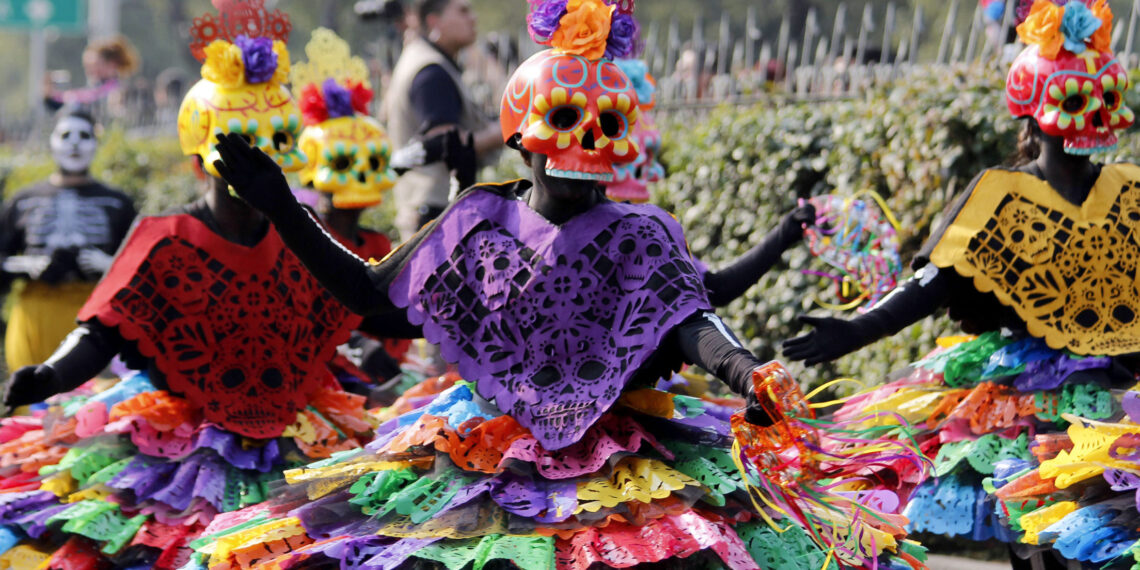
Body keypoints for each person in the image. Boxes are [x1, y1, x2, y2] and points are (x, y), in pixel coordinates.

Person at [191, 2, 919, 568]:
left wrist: (744, 369)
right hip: (489, 461)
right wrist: (283, 205)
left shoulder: (644, 233)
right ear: (520, 132)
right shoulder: (477, 226)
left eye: (608, 125)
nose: (588, 142)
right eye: (568, 118)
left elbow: (692, 316)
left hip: (633, 464)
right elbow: (375, 297)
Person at [0, 4, 371, 567]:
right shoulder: (164, 238)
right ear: (206, 147)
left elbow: (367, 301)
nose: (260, 158)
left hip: (301, 436)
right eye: (244, 142)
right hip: (182, 446)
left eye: (272, 142)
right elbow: (103, 328)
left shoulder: (303, 234)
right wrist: (52, 374)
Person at [784, 0, 1138, 566]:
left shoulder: (1131, 190)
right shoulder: (1001, 194)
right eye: (1075, 99)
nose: (1093, 116)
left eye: (1106, 100)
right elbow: (936, 281)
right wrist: (853, 332)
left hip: (1123, 397)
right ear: (1036, 110)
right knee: (1041, 534)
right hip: (1032, 399)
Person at [0, 109, 136, 374]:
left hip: (95, 320)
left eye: (84, 135)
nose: (74, 143)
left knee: (93, 407)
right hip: (35, 318)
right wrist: (23, 265)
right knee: (31, 400)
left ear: (96, 143)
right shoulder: (23, 200)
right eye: (65, 135)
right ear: (51, 141)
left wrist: (110, 264)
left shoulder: (118, 203)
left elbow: (140, 266)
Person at [385, 0, 502, 241]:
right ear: (433, 21)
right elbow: (449, 145)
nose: (473, 18)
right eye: (462, 10)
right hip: (433, 213)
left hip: (430, 209)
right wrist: (507, 130)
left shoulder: (427, 60)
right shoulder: (431, 72)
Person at [44, 35, 140, 116]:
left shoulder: (118, 88)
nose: (90, 71)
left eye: (95, 65)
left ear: (112, 64)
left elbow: (92, 97)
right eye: (86, 66)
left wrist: (62, 97)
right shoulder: (97, 87)